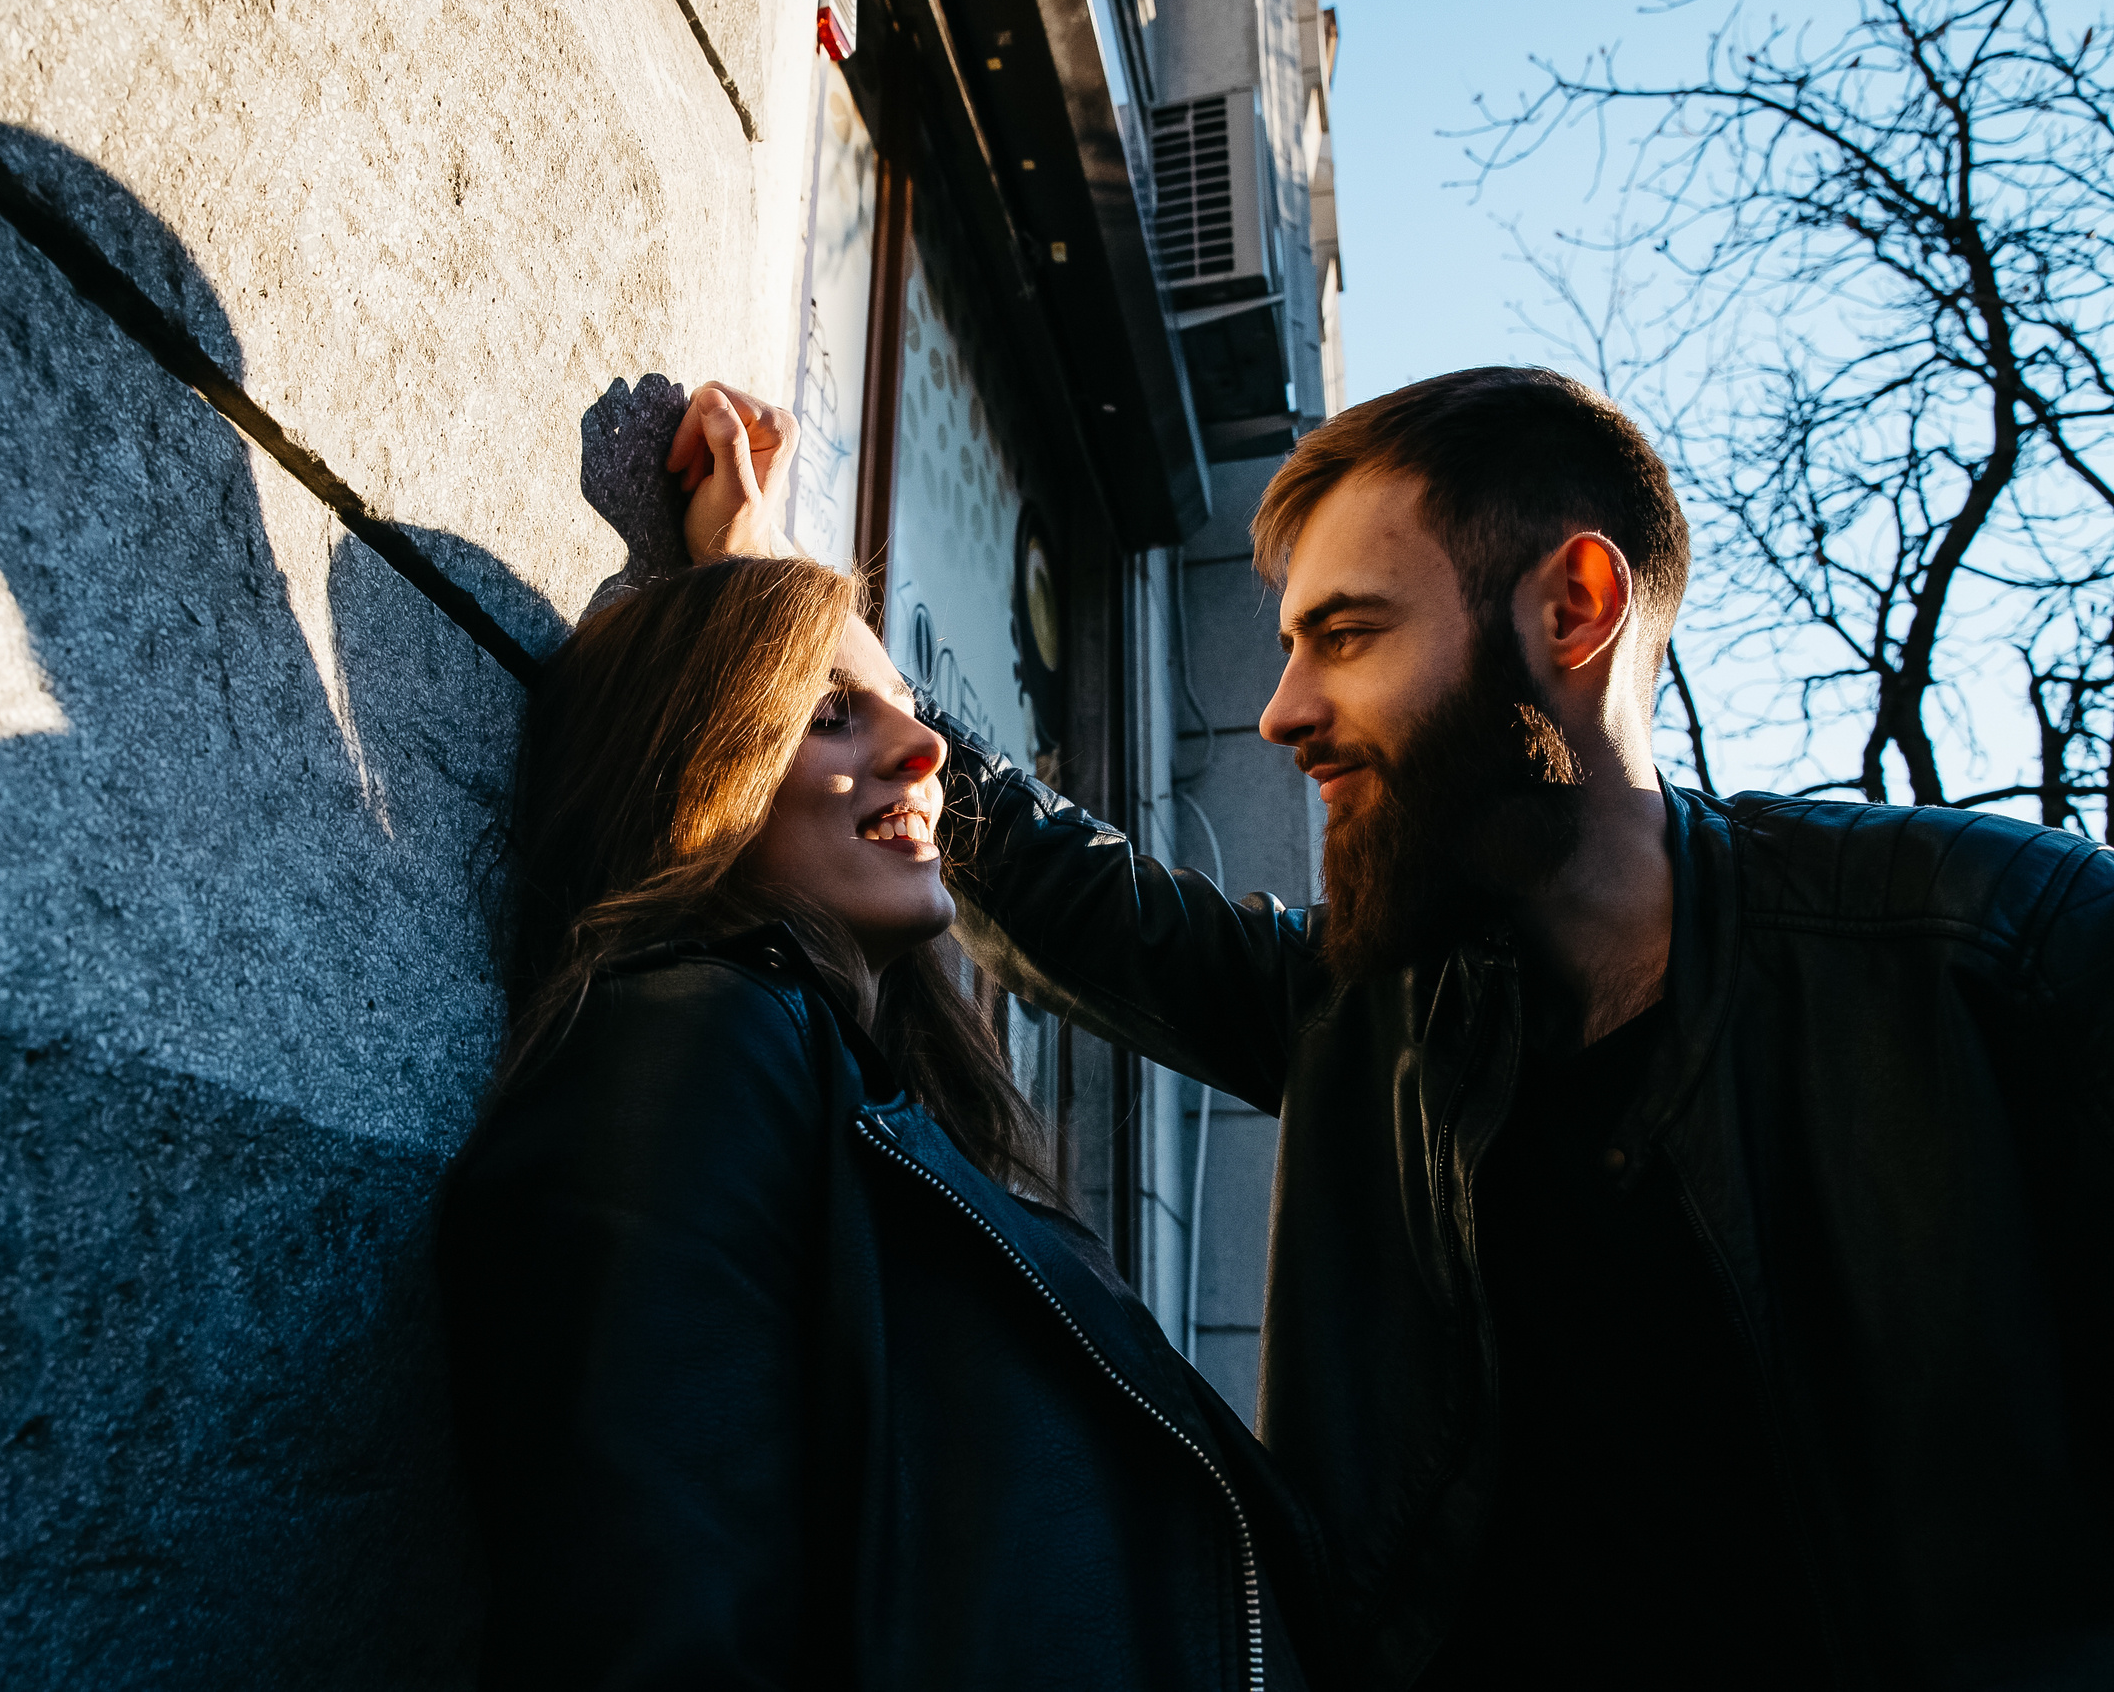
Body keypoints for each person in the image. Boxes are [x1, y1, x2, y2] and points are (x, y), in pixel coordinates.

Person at [668, 372, 2114, 1690]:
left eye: (1347, 634)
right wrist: (787, 609)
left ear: (1573, 606)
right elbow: (1079, 897)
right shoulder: (1378, 1019)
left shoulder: (2000, 954)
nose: (1286, 708)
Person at [439, 544, 1321, 1689]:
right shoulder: (692, 1040)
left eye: (903, 710)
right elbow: (647, 1622)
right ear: (688, 766)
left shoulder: (871, 1113)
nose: (929, 749)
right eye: (826, 714)